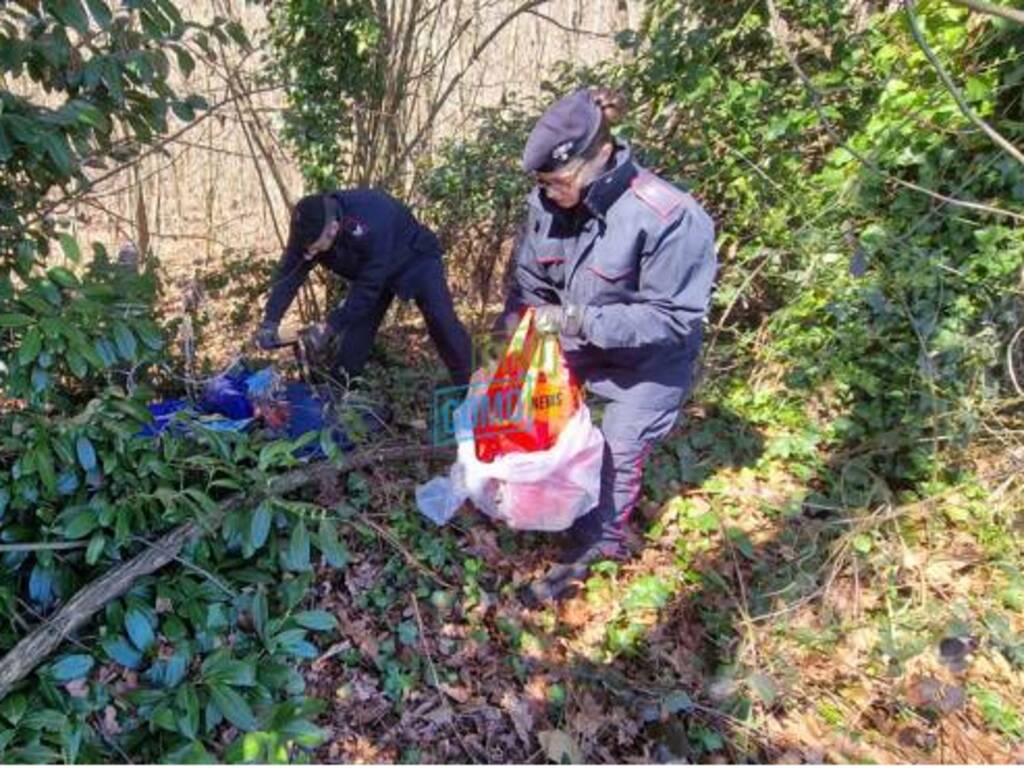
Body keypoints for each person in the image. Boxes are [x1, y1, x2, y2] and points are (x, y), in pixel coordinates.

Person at [497, 87, 718, 605]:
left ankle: (597, 547)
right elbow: (529, 285)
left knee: (616, 454)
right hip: (579, 338)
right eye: (543, 184)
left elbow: (674, 316)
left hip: (650, 362)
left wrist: (575, 319)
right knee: (537, 413)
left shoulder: (670, 218)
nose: (551, 194)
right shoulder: (548, 204)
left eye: (560, 181)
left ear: (599, 156)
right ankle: (549, 502)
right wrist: (509, 352)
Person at [255, 190, 472, 387]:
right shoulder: (308, 227)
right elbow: (290, 274)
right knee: (355, 336)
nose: (311, 254)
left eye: (316, 248)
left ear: (333, 229)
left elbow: (368, 288)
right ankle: (339, 395)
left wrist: (330, 326)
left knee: (441, 320)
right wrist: (270, 321)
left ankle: (472, 384)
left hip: (414, 258)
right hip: (370, 270)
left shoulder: (373, 219)